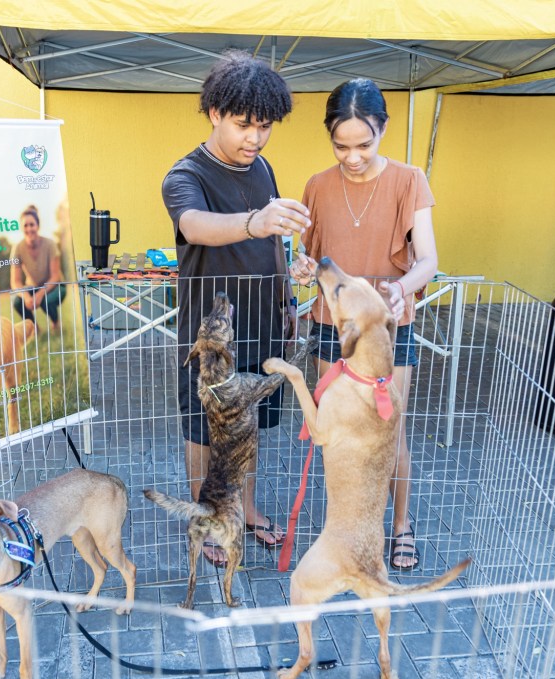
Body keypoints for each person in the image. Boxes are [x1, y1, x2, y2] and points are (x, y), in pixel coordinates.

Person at [162, 50, 311, 566]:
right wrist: (255, 221)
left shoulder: (263, 167)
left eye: (264, 127)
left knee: (249, 424)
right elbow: (194, 225)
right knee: (204, 430)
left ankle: (245, 509)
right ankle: (208, 521)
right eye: (244, 125)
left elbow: (273, 240)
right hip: (212, 334)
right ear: (215, 114)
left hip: (264, 322)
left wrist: (289, 289)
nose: (255, 138)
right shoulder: (186, 174)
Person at [290, 78, 438, 571]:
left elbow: (428, 260)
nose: (352, 157)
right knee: (337, 434)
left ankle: (400, 525)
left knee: (389, 432)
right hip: (331, 327)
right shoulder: (317, 185)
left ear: (383, 129)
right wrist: (301, 269)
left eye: (364, 145)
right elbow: (307, 258)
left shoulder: (409, 180)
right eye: (341, 146)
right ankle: (342, 527)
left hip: (390, 330)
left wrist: (403, 288)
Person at [10, 204, 66, 333]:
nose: (29, 228)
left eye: (32, 224)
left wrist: (40, 294)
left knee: (46, 300)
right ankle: (35, 329)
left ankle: (56, 324)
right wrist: (26, 296)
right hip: (32, 287)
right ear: (21, 228)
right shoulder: (17, 249)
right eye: (25, 225)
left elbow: (55, 276)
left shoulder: (50, 244)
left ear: (38, 226)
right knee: (17, 302)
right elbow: (15, 281)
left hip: (55, 286)